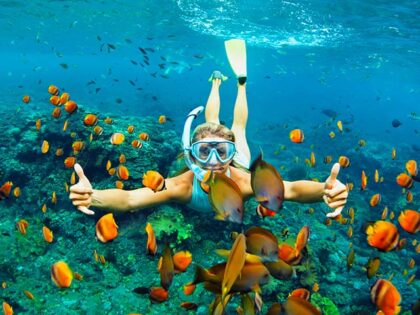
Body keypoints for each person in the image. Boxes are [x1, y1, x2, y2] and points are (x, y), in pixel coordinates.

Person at [69, 40, 348, 218]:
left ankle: (241, 84)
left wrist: (325, 189)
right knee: (212, 120)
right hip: (215, 156)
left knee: (238, 126)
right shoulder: (182, 186)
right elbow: (130, 199)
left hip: (239, 163)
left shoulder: (243, 180)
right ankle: (215, 84)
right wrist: (94, 196)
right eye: (205, 152)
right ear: (192, 155)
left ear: (230, 153)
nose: (214, 161)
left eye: (221, 151)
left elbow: (291, 190)